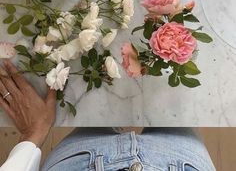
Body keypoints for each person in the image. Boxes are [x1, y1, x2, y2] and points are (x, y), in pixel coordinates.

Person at [0, 61, 216, 171]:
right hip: (181, 162)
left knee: (92, 109)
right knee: (177, 107)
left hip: (81, 162)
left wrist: (33, 134)